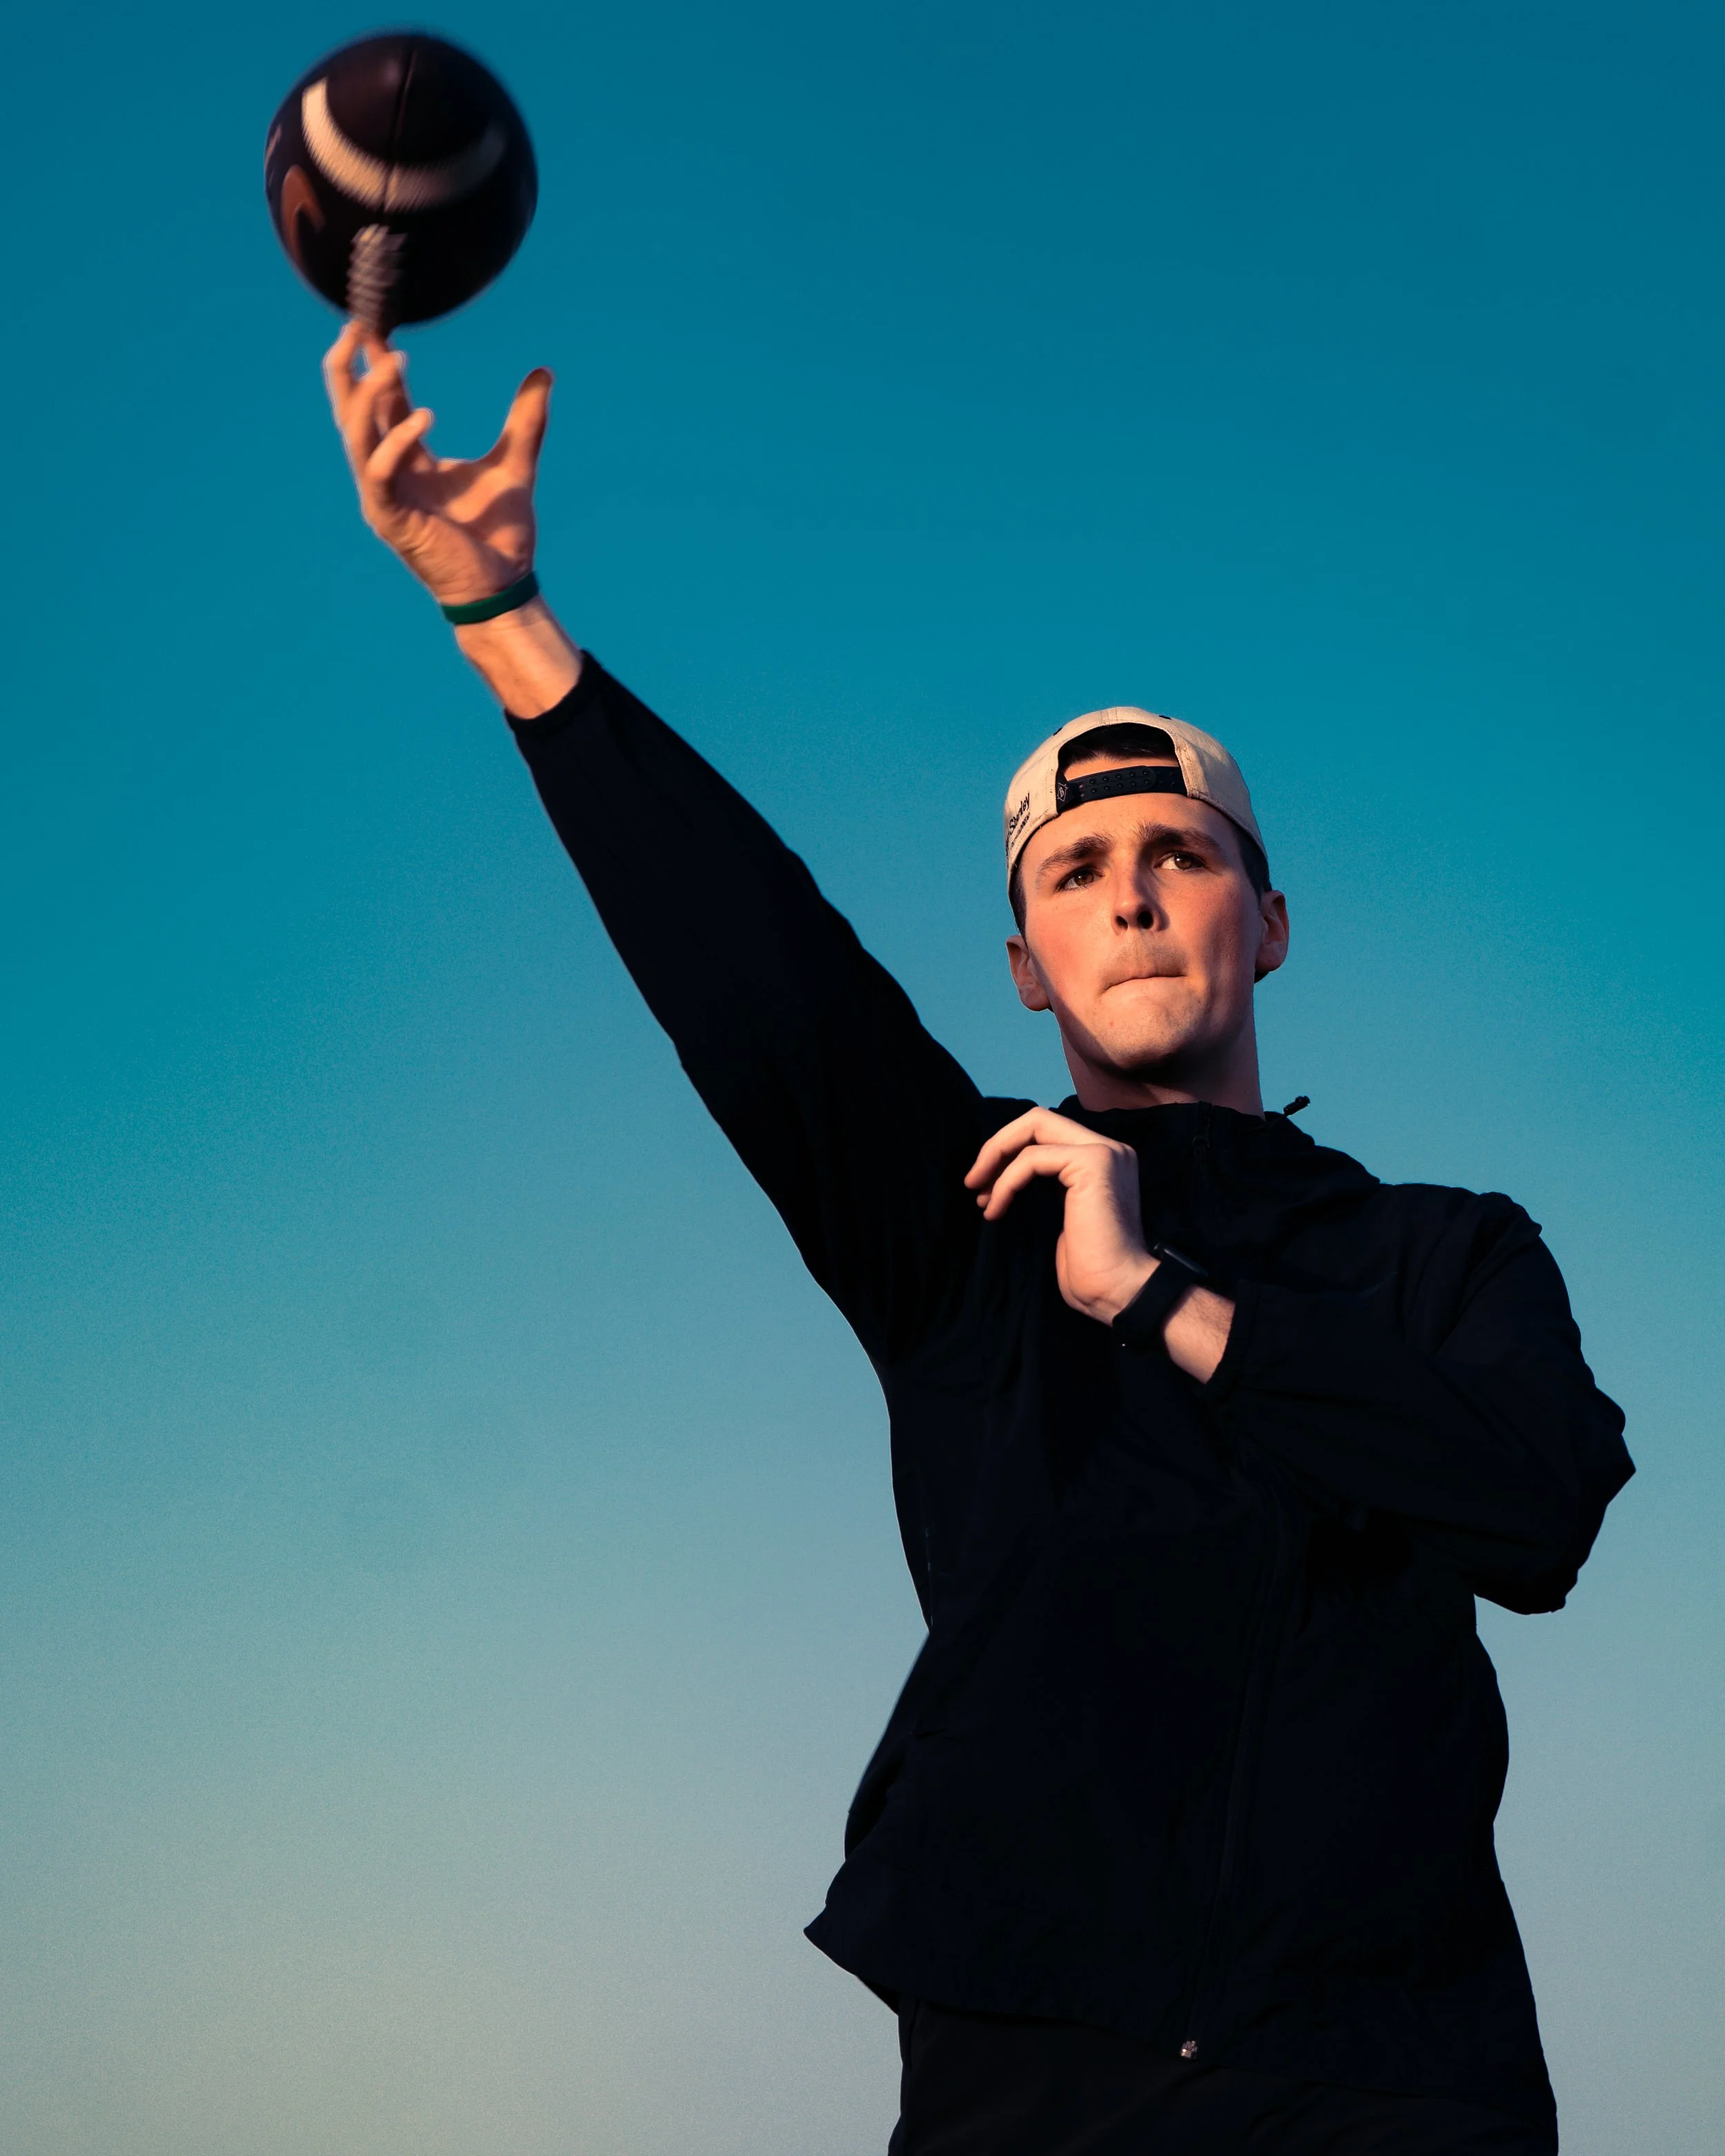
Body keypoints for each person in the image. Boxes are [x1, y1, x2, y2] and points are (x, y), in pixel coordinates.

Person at [322, 327, 1633, 2156]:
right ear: (1025, 966)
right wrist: (505, 617)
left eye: (1178, 853)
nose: (1132, 892)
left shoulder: (1443, 1254)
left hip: (1388, 2078)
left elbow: (1532, 1511)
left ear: (1266, 921)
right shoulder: (963, 1221)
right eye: (1074, 872)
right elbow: (756, 968)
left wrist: (1162, 1300)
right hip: (1032, 2073)